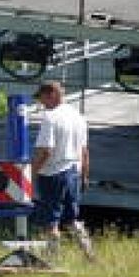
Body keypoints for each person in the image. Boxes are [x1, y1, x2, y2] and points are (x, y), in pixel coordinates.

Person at [31, 80, 94, 261]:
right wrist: (85, 176)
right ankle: (89, 254)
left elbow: (46, 150)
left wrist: (32, 172)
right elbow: (84, 151)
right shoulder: (79, 117)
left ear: (51, 95)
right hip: (74, 171)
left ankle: (52, 259)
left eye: (42, 99)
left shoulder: (51, 117)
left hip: (52, 173)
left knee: (51, 220)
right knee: (73, 218)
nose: (42, 104)